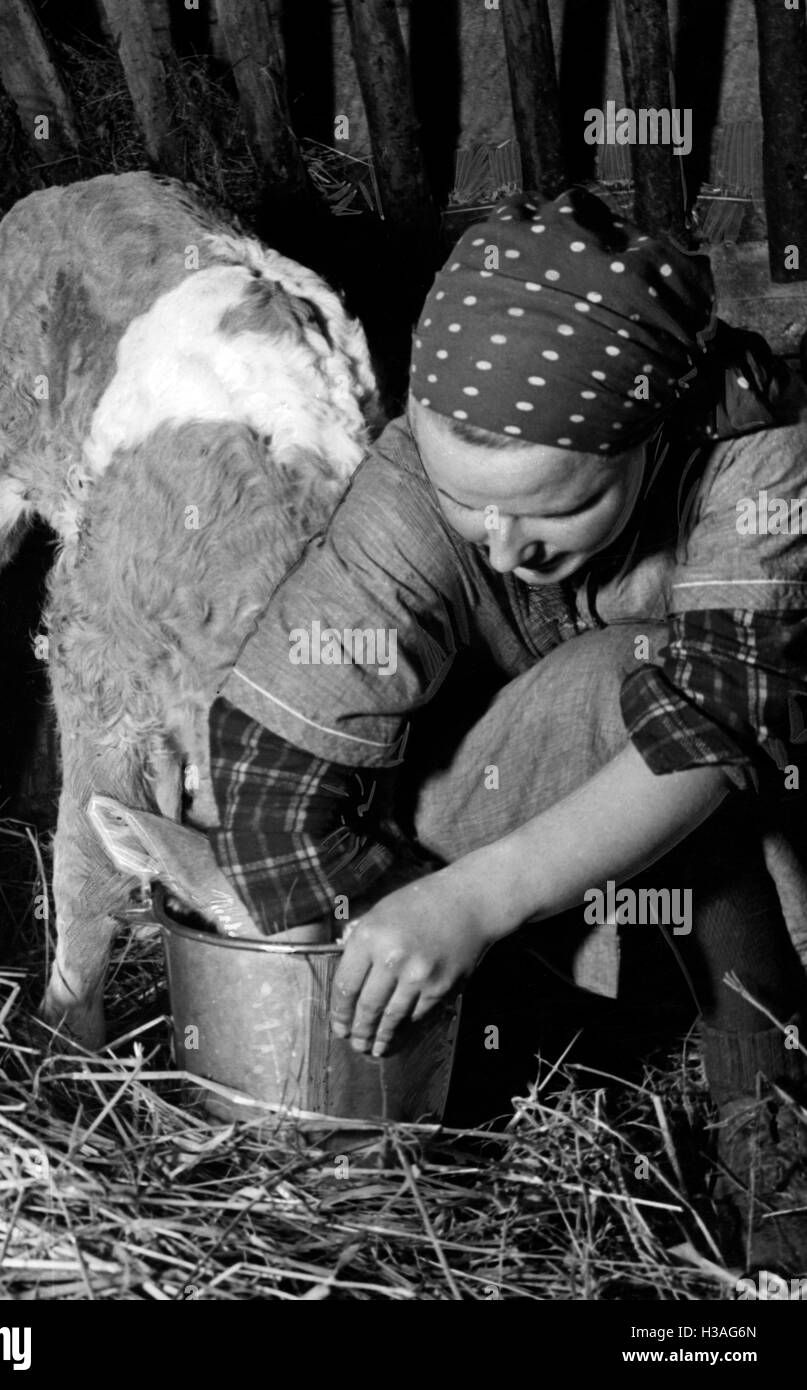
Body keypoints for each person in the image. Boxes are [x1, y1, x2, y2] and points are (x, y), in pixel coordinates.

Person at [203, 187, 807, 1269]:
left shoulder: (762, 460)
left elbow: (717, 720)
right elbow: (268, 755)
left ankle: (769, 1124)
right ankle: (512, 1046)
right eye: (466, 500)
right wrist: (376, 996)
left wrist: (474, 903)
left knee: (646, 682)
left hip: (705, 836)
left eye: (553, 508)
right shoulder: (420, 480)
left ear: (658, 424)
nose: (502, 548)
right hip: (482, 815)